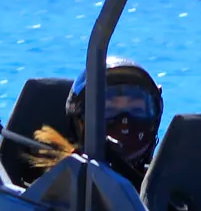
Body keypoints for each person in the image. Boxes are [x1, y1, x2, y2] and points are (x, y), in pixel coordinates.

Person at [28, 56, 164, 186]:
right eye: (109, 110)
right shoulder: (59, 186)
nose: (124, 122)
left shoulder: (165, 188)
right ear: (80, 122)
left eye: (137, 110)